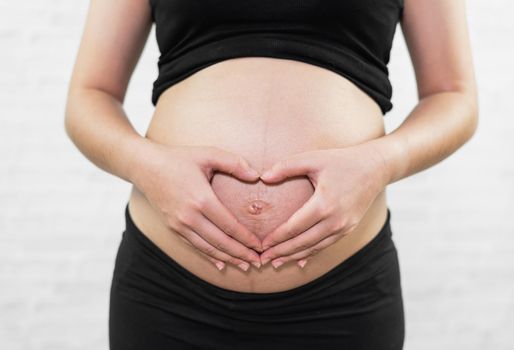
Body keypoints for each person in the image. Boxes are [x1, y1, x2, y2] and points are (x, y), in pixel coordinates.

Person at [64, 0, 478, 349]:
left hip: (342, 297)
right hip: (169, 294)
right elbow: (90, 95)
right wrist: (147, 166)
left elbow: (453, 95)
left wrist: (382, 163)